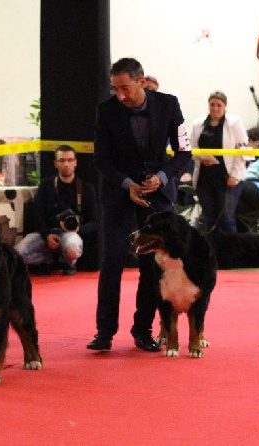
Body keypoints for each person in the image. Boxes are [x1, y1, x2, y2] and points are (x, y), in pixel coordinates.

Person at [88, 57, 192, 352]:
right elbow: (101, 160)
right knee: (111, 262)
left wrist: (162, 177)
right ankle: (104, 332)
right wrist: (126, 185)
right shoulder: (105, 111)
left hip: (157, 194)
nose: (120, 96)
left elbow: (184, 152)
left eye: (125, 88)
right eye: (115, 89)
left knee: (153, 266)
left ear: (141, 81)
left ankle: (143, 330)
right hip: (118, 193)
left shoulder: (169, 105)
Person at [14, 145, 100, 275]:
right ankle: (50, 260)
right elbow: (37, 215)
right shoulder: (46, 185)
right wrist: (46, 235)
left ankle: (67, 261)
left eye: (70, 160)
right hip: (46, 233)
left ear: (75, 162)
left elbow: (96, 222)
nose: (66, 164)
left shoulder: (86, 188)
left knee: (72, 247)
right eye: (62, 160)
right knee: (17, 253)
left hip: (70, 234)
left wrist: (78, 229)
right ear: (55, 163)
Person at [190, 91, 248, 234]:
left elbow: (244, 151)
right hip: (204, 178)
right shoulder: (198, 124)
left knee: (226, 218)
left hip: (226, 178)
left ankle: (232, 254)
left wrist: (235, 175)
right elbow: (190, 148)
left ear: (225, 106)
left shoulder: (234, 123)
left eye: (219, 105)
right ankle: (212, 252)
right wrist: (200, 156)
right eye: (212, 105)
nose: (215, 108)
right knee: (208, 218)